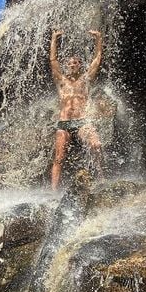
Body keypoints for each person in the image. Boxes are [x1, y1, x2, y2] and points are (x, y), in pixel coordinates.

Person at [50, 29, 103, 190]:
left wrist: (98, 38)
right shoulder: (61, 80)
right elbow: (53, 60)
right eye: (70, 63)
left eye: (76, 63)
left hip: (82, 121)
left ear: (80, 65)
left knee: (96, 145)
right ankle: (53, 192)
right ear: (67, 66)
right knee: (59, 157)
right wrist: (54, 39)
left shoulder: (85, 79)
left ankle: (102, 180)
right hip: (64, 123)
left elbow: (97, 59)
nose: (73, 65)